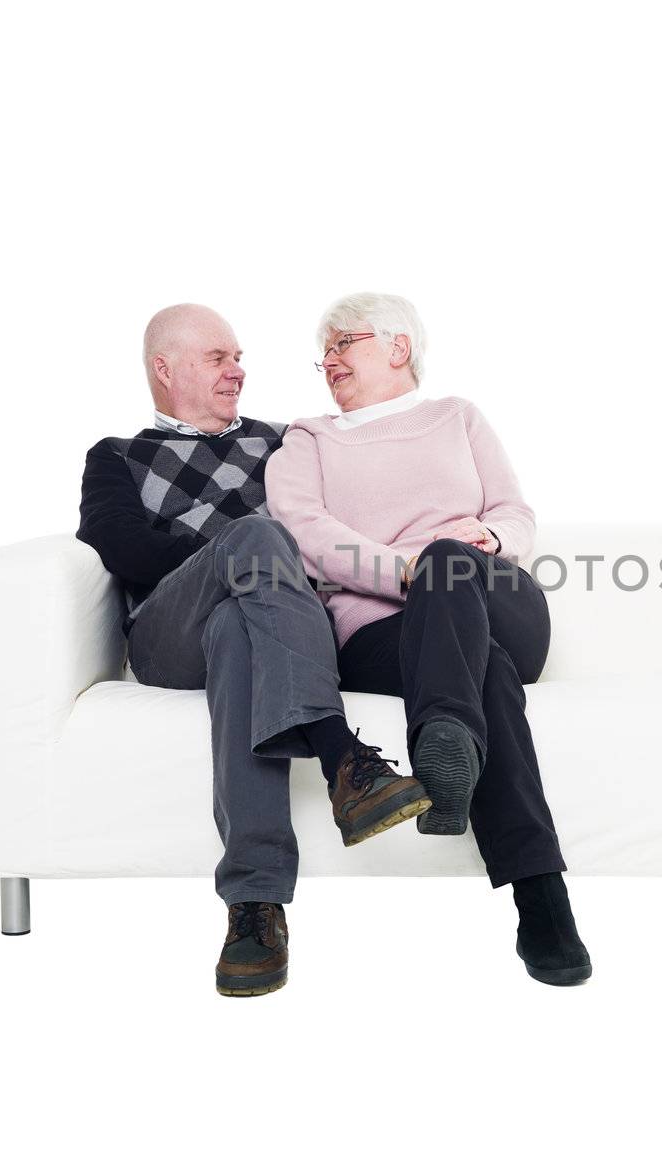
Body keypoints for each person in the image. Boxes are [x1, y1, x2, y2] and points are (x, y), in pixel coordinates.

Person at [76, 304, 430, 998]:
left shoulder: (283, 443)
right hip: (167, 637)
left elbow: (334, 523)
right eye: (218, 359)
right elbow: (123, 547)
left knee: (242, 630)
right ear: (164, 368)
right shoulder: (118, 455)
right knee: (259, 540)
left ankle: (254, 906)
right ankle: (342, 758)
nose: (238, 372)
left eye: (239, 358)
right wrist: (234, 551)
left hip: (267, 630)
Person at [265, 292, 592, 985]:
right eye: (320, 352)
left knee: (450, 563)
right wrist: (407, 573)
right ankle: (542, 897)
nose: (327, 362)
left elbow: (515, 512)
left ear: (397, 346)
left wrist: (490, 538)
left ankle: (442, 736)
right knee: (486, 672)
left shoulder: (457, 418)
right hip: (382, 635)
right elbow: (304, 531)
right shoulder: (308, 439)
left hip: (494, 596)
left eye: (342, 343)